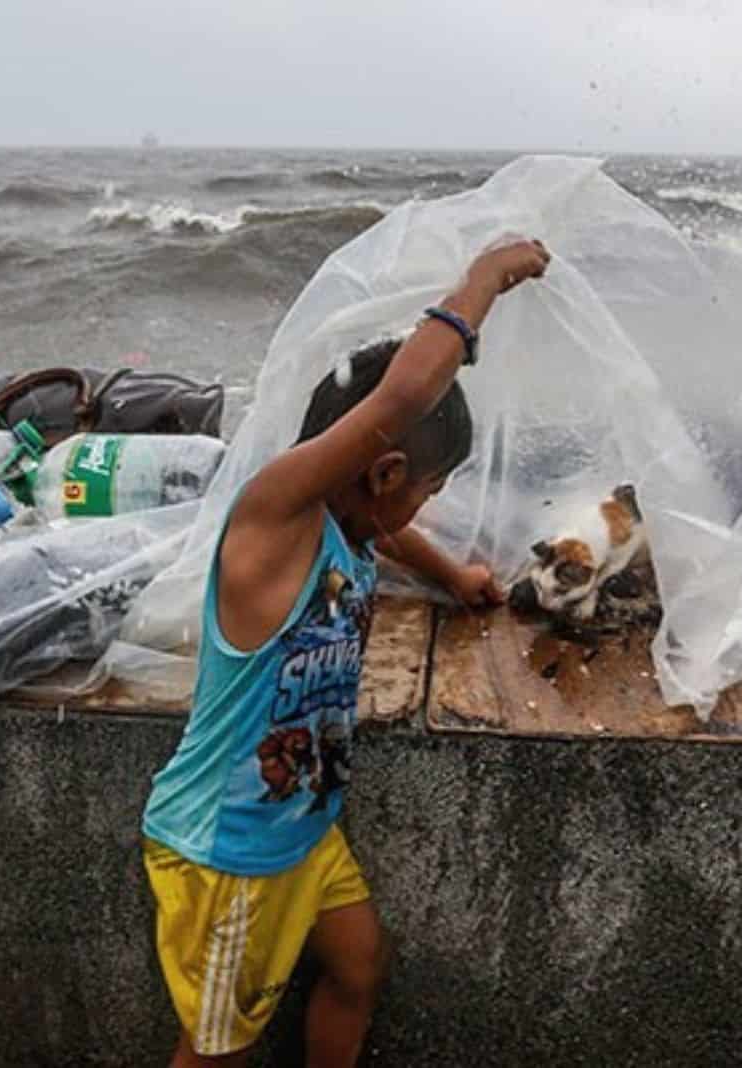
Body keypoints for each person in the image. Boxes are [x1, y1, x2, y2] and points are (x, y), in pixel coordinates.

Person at [139, 238, 551, 1066]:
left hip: (303, 828)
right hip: (229, 854)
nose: (423, 506)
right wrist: (484, 282)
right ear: (385, 467)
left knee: (359, 967)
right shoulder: (272, 518)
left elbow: (392, 536)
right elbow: (400, 399)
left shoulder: (348, 528)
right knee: (216, 1048)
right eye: (429, 488)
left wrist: (456, 575)